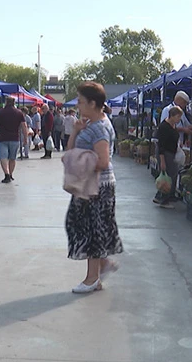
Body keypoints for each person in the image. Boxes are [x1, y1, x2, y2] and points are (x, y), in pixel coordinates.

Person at [65, 81, 123, 294]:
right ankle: (101, 266)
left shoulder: (99, 128)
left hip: (98, 187)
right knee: (81, 226)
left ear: (92, 103)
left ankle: (92, 278)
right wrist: (75, 132)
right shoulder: (90, 124)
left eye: (80, 101)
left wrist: (79, 164)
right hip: (88, 186)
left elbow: (103, 161)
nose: (78, 105)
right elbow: (69, 152)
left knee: (91, 230)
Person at [0, 96, 28, 183]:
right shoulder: (19, 113)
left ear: (6, 102)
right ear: (14, 103)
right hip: (15, 138)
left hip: (3, 138)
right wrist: (25, 138)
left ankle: (7, 174)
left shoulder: (0, 112)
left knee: (3, 157)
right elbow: (24, 126)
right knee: (12, 158)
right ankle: (11, 174)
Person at [153, 106, 183, 207]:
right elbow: (161, 145)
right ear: (172, 116)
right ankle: (164, 200)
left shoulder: (172, 125)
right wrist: (162, 161)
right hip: (165, 154)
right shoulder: (164, 127)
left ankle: (159, 196)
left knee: (170, 175)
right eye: (178, 117)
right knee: (170, 176)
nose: (179, 119)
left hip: (171, 153)